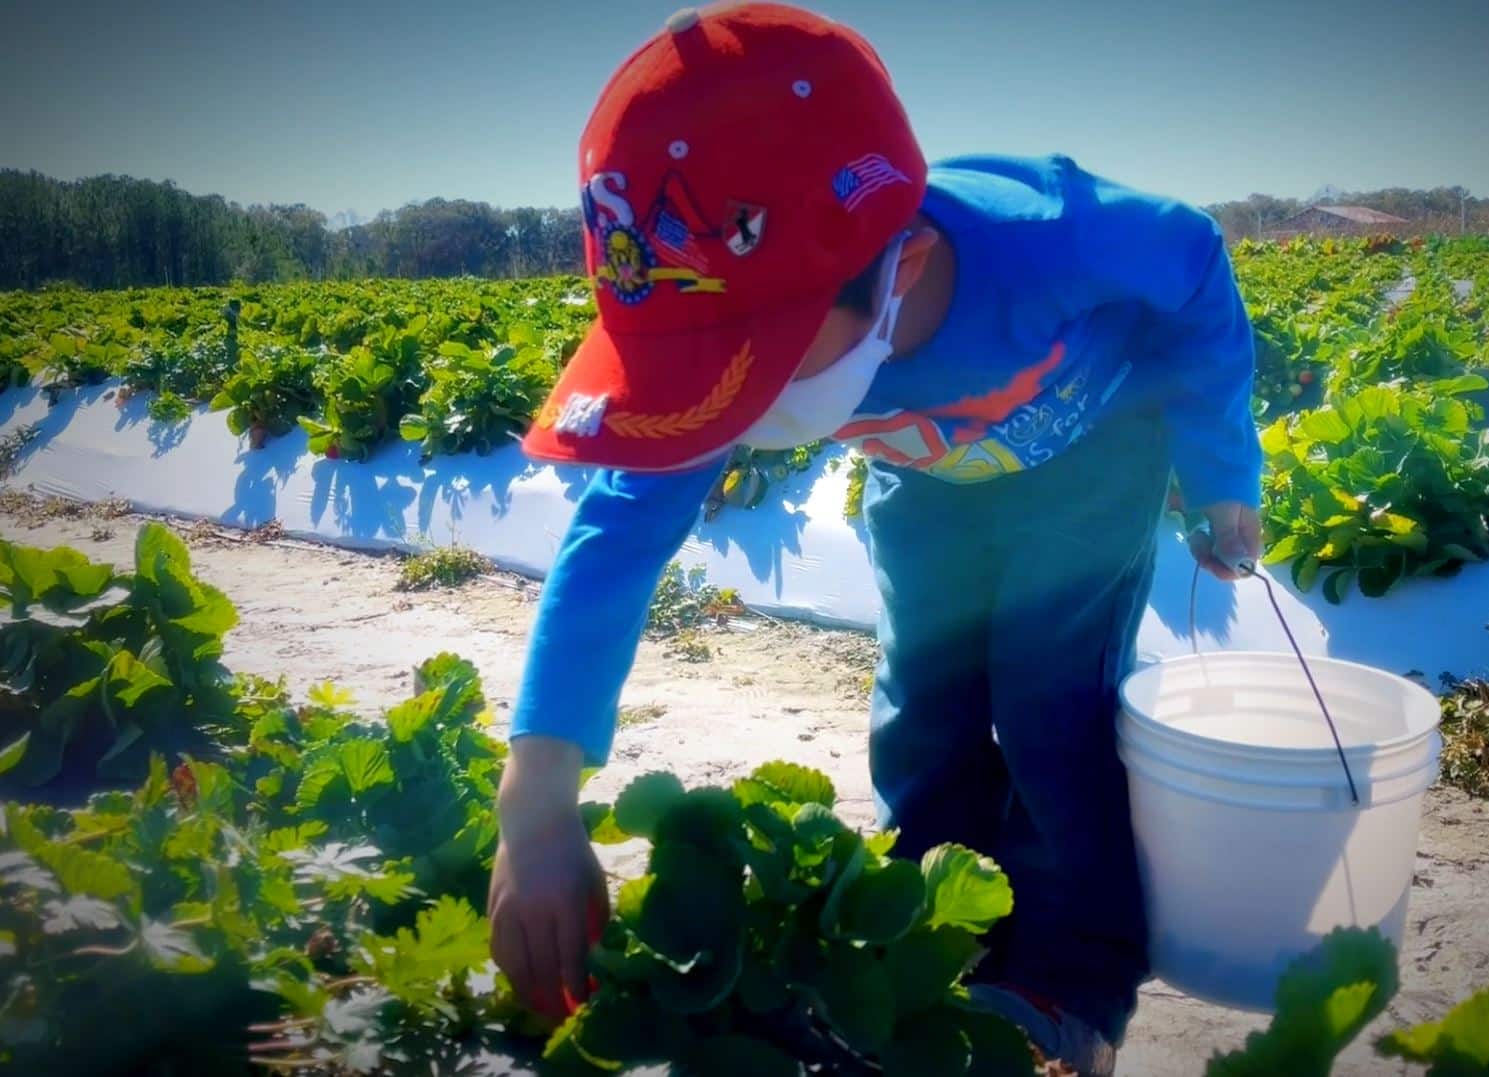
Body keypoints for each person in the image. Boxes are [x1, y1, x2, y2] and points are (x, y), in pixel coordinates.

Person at [486, 4, 1262, 1072]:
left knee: (1049, 708)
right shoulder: (759, 298)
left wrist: (1225, 476)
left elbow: (1198, 271)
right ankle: (937, 942)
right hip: (927, 473)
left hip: (1093, 456)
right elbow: (617, 531)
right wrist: (534, 798)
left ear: (902, 269)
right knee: (924, 706)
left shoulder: (1059, 239)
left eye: (755, 363)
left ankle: (1067, 985)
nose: (734, 407)